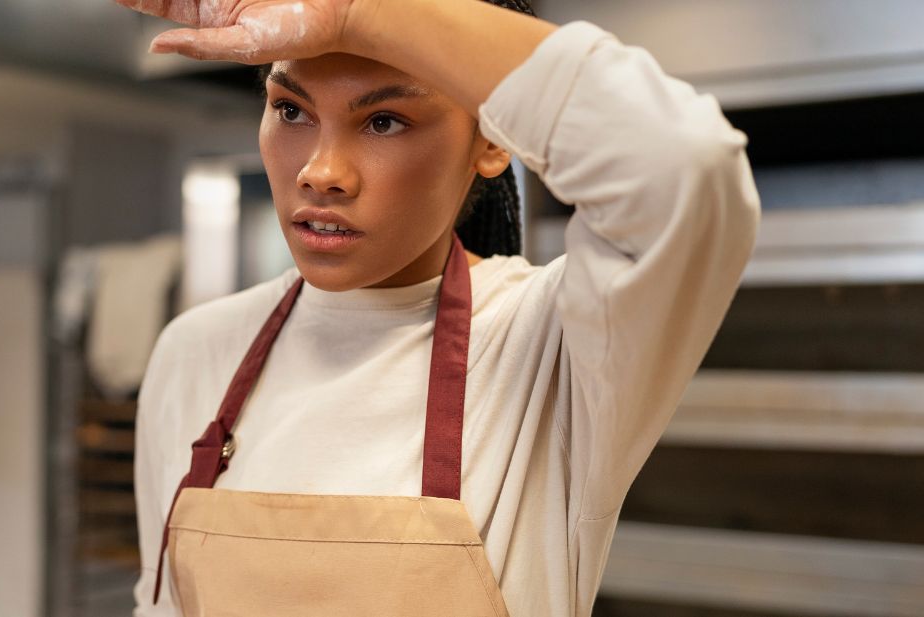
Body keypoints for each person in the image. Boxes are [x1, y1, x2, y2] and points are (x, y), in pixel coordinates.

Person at [112, 0, 761, 614]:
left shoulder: (548, 344)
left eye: (384, 120)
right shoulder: (195, 350)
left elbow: (688, 163)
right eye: (290, 110)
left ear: (493, 140)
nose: (320, 170)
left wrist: (356, 15)